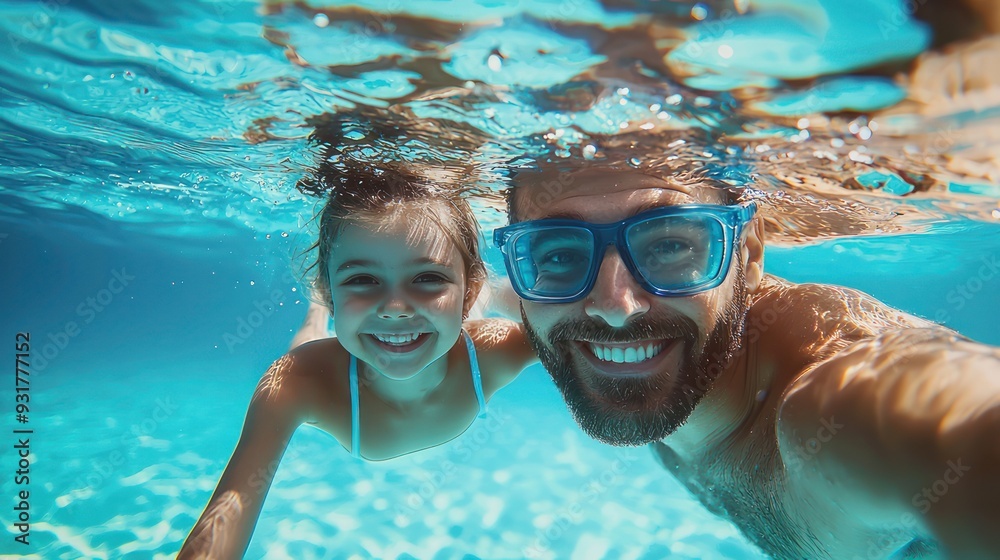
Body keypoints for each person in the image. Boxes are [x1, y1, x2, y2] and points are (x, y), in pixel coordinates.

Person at [499, 161, 1000, 559]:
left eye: (669, 245)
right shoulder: (552, 306)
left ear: (750, 254)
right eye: (560, 254)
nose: (614, 308)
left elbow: (961, 424)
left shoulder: (824, 410)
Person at [179, 164, 536, 559]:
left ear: (466, 291)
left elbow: (567, 327)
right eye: (362, 279)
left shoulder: (493, 350)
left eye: (427, 277)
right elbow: (230, 507)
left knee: (496, 313)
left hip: (462, 317)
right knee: (307, 344)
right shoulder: (297, 381)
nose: (396, 308)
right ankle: (317, 311)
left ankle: (490, 291)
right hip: (349, 345)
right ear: (330, 293)